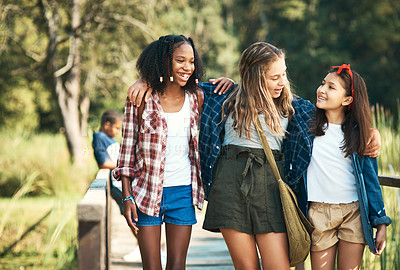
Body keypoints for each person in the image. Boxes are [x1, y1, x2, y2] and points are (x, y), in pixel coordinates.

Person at [127, 43, 382, 269]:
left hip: (272, 190)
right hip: (229, 190)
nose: (282, 82)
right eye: (274, 77)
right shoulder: (221, 97)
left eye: (283, 74)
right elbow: (179, 82)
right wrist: (146, 80)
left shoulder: (293, 106)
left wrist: (370, 130)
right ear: (255, 77)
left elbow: (337, 111)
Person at [112, 34, 206, 270]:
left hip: (183, 192)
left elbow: (227, 90)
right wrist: (126, 197)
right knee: (151, 267)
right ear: (165, 62)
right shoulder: (141, 98)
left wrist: (226, 80)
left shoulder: (197, 98)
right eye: (180, 60)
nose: (187, 67)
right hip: (146, 192)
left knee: (177, 266)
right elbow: (126, 152)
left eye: (191, 61)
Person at [303, 65, 391, 269]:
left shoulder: (360, 135)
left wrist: (381, 223)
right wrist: (232, 85)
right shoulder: (307, 126)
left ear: (347, 99)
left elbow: (371, 180)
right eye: (322, 83)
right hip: (318, 212)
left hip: (353, 213)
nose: (322, 89)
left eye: (331, 87)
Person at [92, 109, 142, 262]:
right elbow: (103, 163)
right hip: (117, 186)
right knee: (133, 218)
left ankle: (145, 246)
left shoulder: (110, 140)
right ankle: (143, 246)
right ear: (107, 124)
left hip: (124, 184)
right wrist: (122, 166)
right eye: (117, 128)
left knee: (137, 216)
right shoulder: (99, 137)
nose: (118, 132)